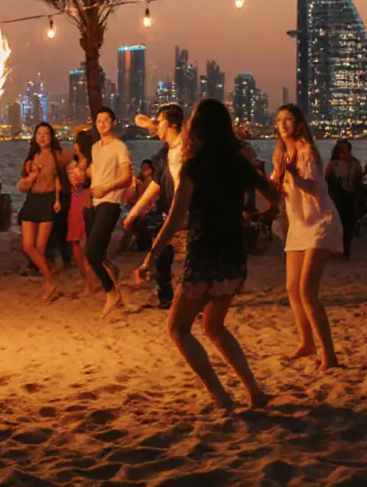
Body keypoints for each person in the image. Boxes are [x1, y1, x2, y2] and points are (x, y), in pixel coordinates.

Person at [137, 98, 280, 411]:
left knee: (177, 328)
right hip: (233, 257)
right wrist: (252, 211)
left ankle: (220, 396)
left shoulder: (194, 168)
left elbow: (175, 219)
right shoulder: (238, 163)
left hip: (204, 256)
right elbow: (274, 198)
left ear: (196, 128)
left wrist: (150, 257)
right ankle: (254, 392)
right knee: (214, 327)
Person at [274, 105, 344, 368]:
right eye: (279, 120)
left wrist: (294, 177)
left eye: (288, 120)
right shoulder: (281, 154)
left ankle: (330, 355)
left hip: (320, 222)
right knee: (292, 288)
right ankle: (306, 343)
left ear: (299, 125)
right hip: (298, 224)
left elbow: (315, 189)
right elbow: (278, 188)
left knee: (307, 291)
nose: (282, 124)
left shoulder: (307, 152)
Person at [124, 105, 185, 310]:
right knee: (160, 254)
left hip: (188, 213)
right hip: (170, 211)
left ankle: (198, 302)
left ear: (171, 123)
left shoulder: (188, 148)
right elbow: (156, 184)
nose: (157, 126)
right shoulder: (164, 154)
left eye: (161, 122)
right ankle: (166, 296)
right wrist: (134, 212)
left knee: (193, 261)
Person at [85, 107, 133, 317]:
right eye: (98, 120)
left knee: (91, 251)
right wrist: (82, 174)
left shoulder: (119, 147)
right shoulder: (95, 148)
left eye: (106, 120)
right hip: (94, 202)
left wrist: (107, 188)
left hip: (111, 203)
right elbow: (97, 172)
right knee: (98, 253)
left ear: (113, 123)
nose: (102, 123)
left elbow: (126, 177)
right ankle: (115, 284)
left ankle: (110, 291)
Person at [16, 122, 68, 304]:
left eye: (46, 134)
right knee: (27, 246)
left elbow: (59, 180)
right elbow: (21, 186)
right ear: (35, 138)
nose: (43, 137)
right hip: (32, 200)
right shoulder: (30, 160)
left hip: (48, 201)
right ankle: (50, 280)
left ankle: (48, 282)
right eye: (39, 134)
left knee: (40, 247)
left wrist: (57, 200)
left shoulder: (56, 156)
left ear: (51, 137)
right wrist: (31, 177)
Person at [67, 129, 97, 296]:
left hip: (83, 200)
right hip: (76, 200)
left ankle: (90, 282)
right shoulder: (76, 164)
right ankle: (87, 277)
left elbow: (82, 182)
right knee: (75, 241)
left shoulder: (89, 165)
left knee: (83, 242)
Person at [324, 139, 361, 261]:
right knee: (336, 224)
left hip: (349, 198)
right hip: (336, 197)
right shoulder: (333, 166)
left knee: (347, 224)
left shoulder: (355, 165)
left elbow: (359, 182)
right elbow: (327, 181)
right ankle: (337, 249)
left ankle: (345, 251)